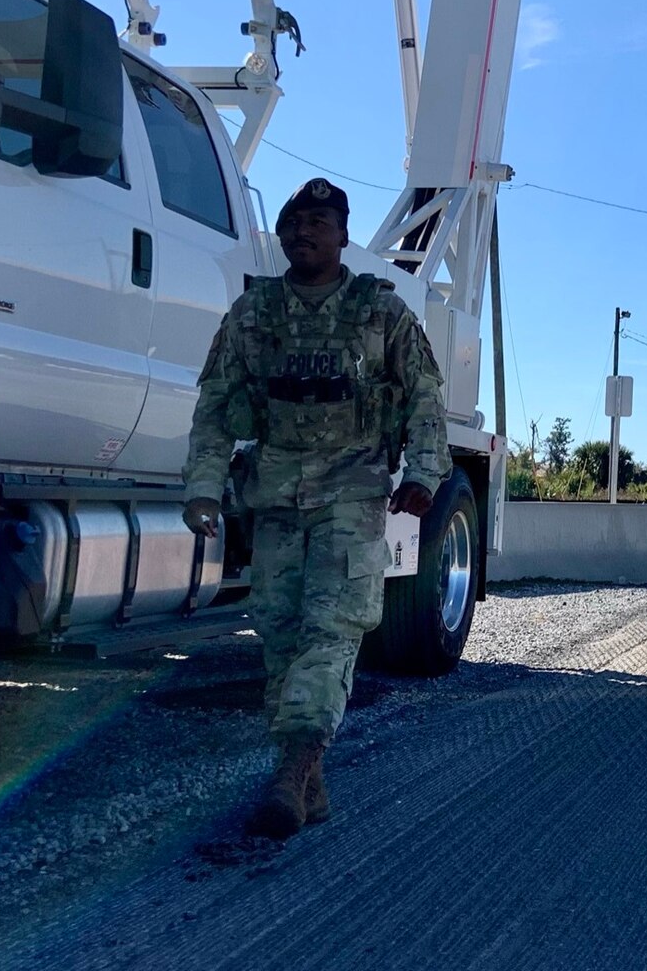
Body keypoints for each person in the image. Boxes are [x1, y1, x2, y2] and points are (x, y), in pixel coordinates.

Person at [182, 177, 447, 839]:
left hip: (353, 489)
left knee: (332, 627)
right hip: (274, 492)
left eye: (319, 222)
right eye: (294, 222)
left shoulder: (382, 313)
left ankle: (291, 771)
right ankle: (309, 778)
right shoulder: (251, 315)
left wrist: (423, 473)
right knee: (277, 628)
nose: (304, 232)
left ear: (343, 236)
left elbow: (424, 398)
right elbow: (216, 404)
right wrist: (202, 488)